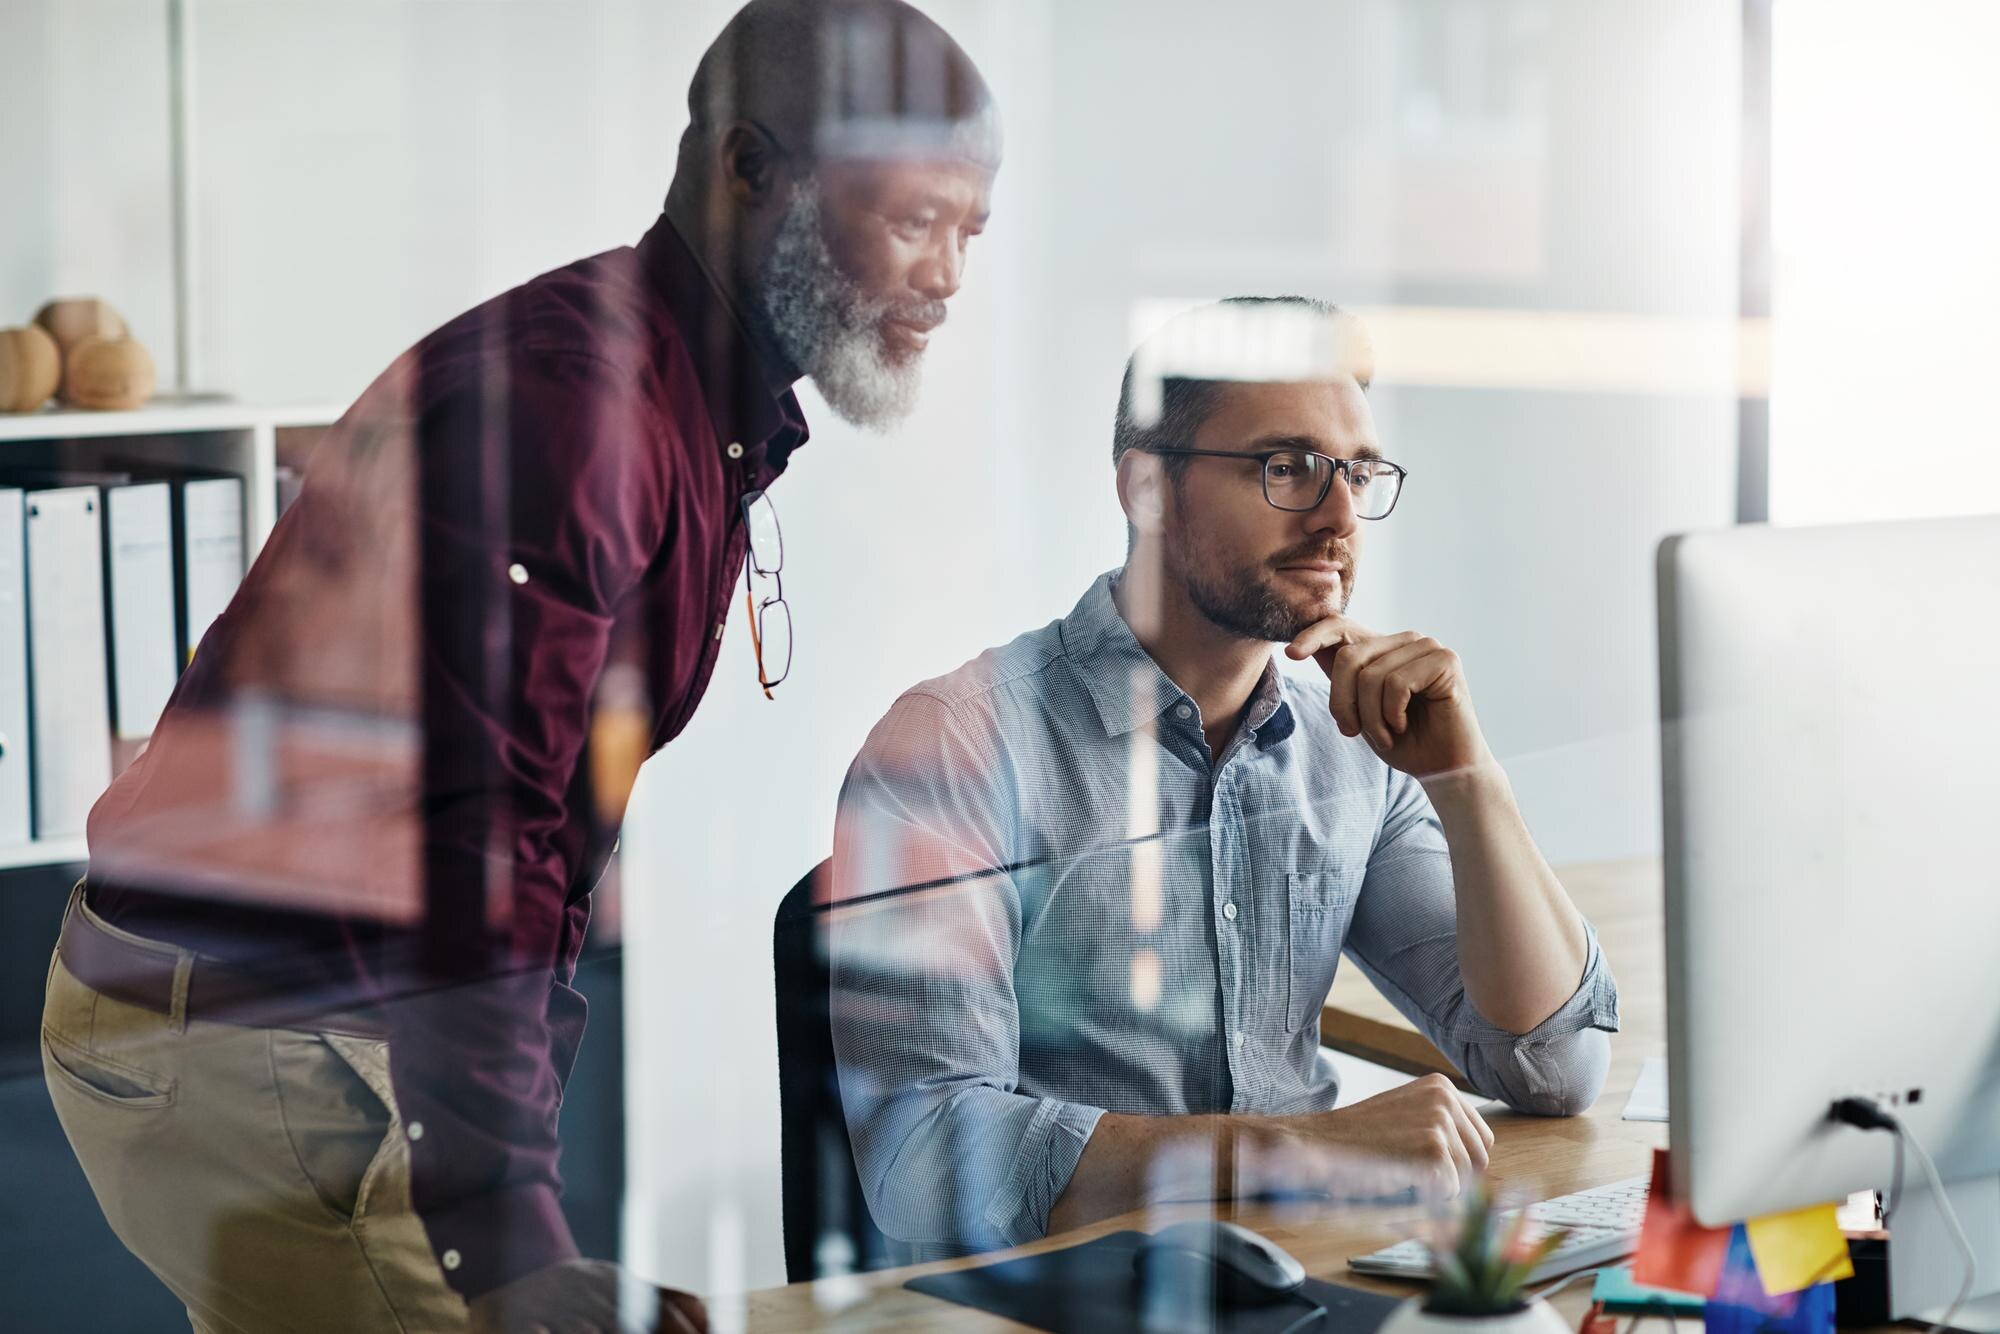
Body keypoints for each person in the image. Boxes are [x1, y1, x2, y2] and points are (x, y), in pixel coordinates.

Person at [41, 3, 999, 1331]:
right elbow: (479, 825)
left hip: (288, 1005)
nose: (948, 276)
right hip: (248, 1031)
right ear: (746, 172)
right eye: (913, 219)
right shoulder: (579, 405)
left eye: (972, 231)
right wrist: (506, 1238)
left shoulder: (680, 398)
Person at [828, 297, 1620, 1261]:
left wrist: (1468, 776)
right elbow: (926, 1159)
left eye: (1357, 473)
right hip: (1063, 1314)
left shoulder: (1352, 751)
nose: (1339, 518)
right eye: (1286, 468)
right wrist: (1303, 1157)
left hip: (1308, 1284)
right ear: (1146, 490)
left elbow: (1553, 1065)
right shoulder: (955, 746)